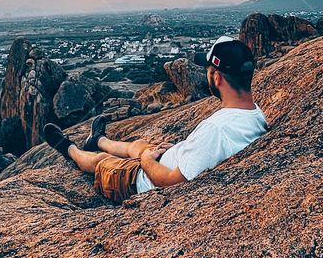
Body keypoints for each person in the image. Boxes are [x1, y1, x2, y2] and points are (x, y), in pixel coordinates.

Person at [42, 36, 267, 203]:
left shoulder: (215, 130)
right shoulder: (255, 114)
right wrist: (178, 149)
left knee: (101, 161)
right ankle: (99, 140)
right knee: (140, 145)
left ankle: (69, 149)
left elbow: (172, 182)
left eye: (208, 70)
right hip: (168, 161)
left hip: (139, 181)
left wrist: (147, 161)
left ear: (217, 78)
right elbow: (208, 152)